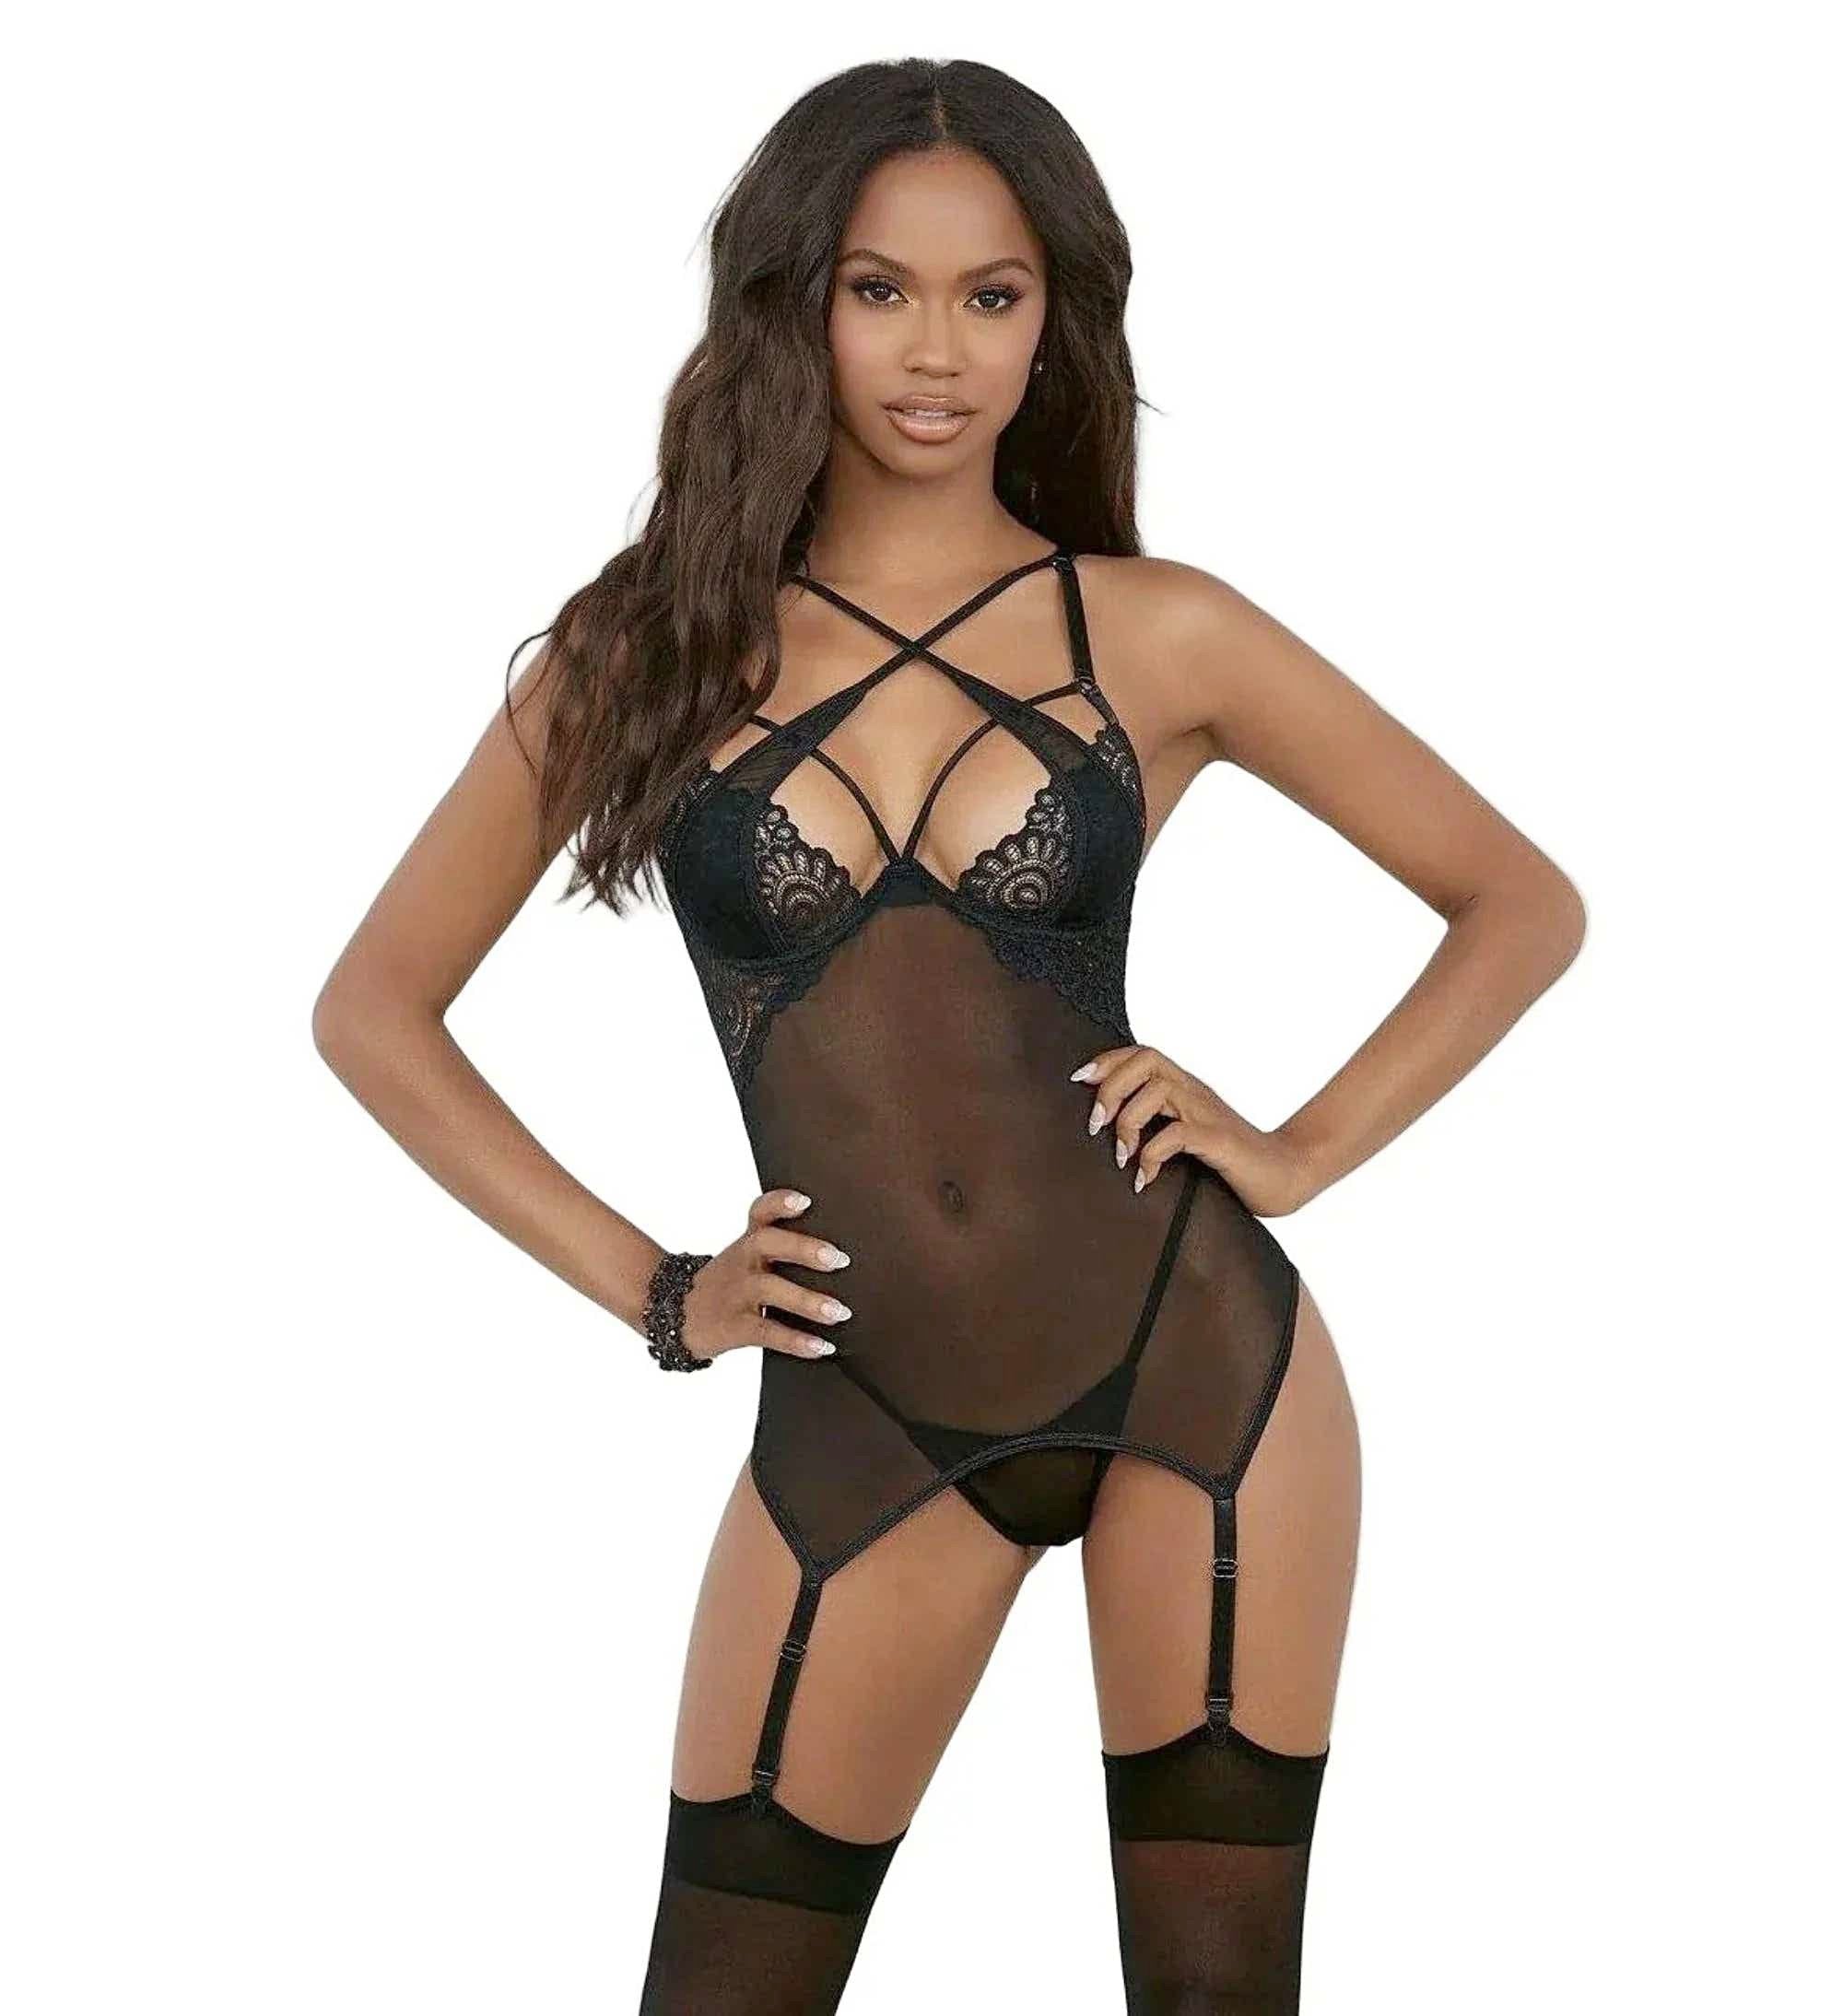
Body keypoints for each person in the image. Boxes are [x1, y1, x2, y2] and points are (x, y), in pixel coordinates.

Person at [311, 57, 1585, 2016]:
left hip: (1198, 1366)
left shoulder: (1156, 630)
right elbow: (375, 1010)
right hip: (869, 1405)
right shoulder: (649, 647)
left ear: (1054, 318)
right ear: (792, 304)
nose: (938, 351)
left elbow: (1518, 899)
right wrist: (658, 1290)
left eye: (994, 295)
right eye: (879, 289)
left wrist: (1300, 1147)